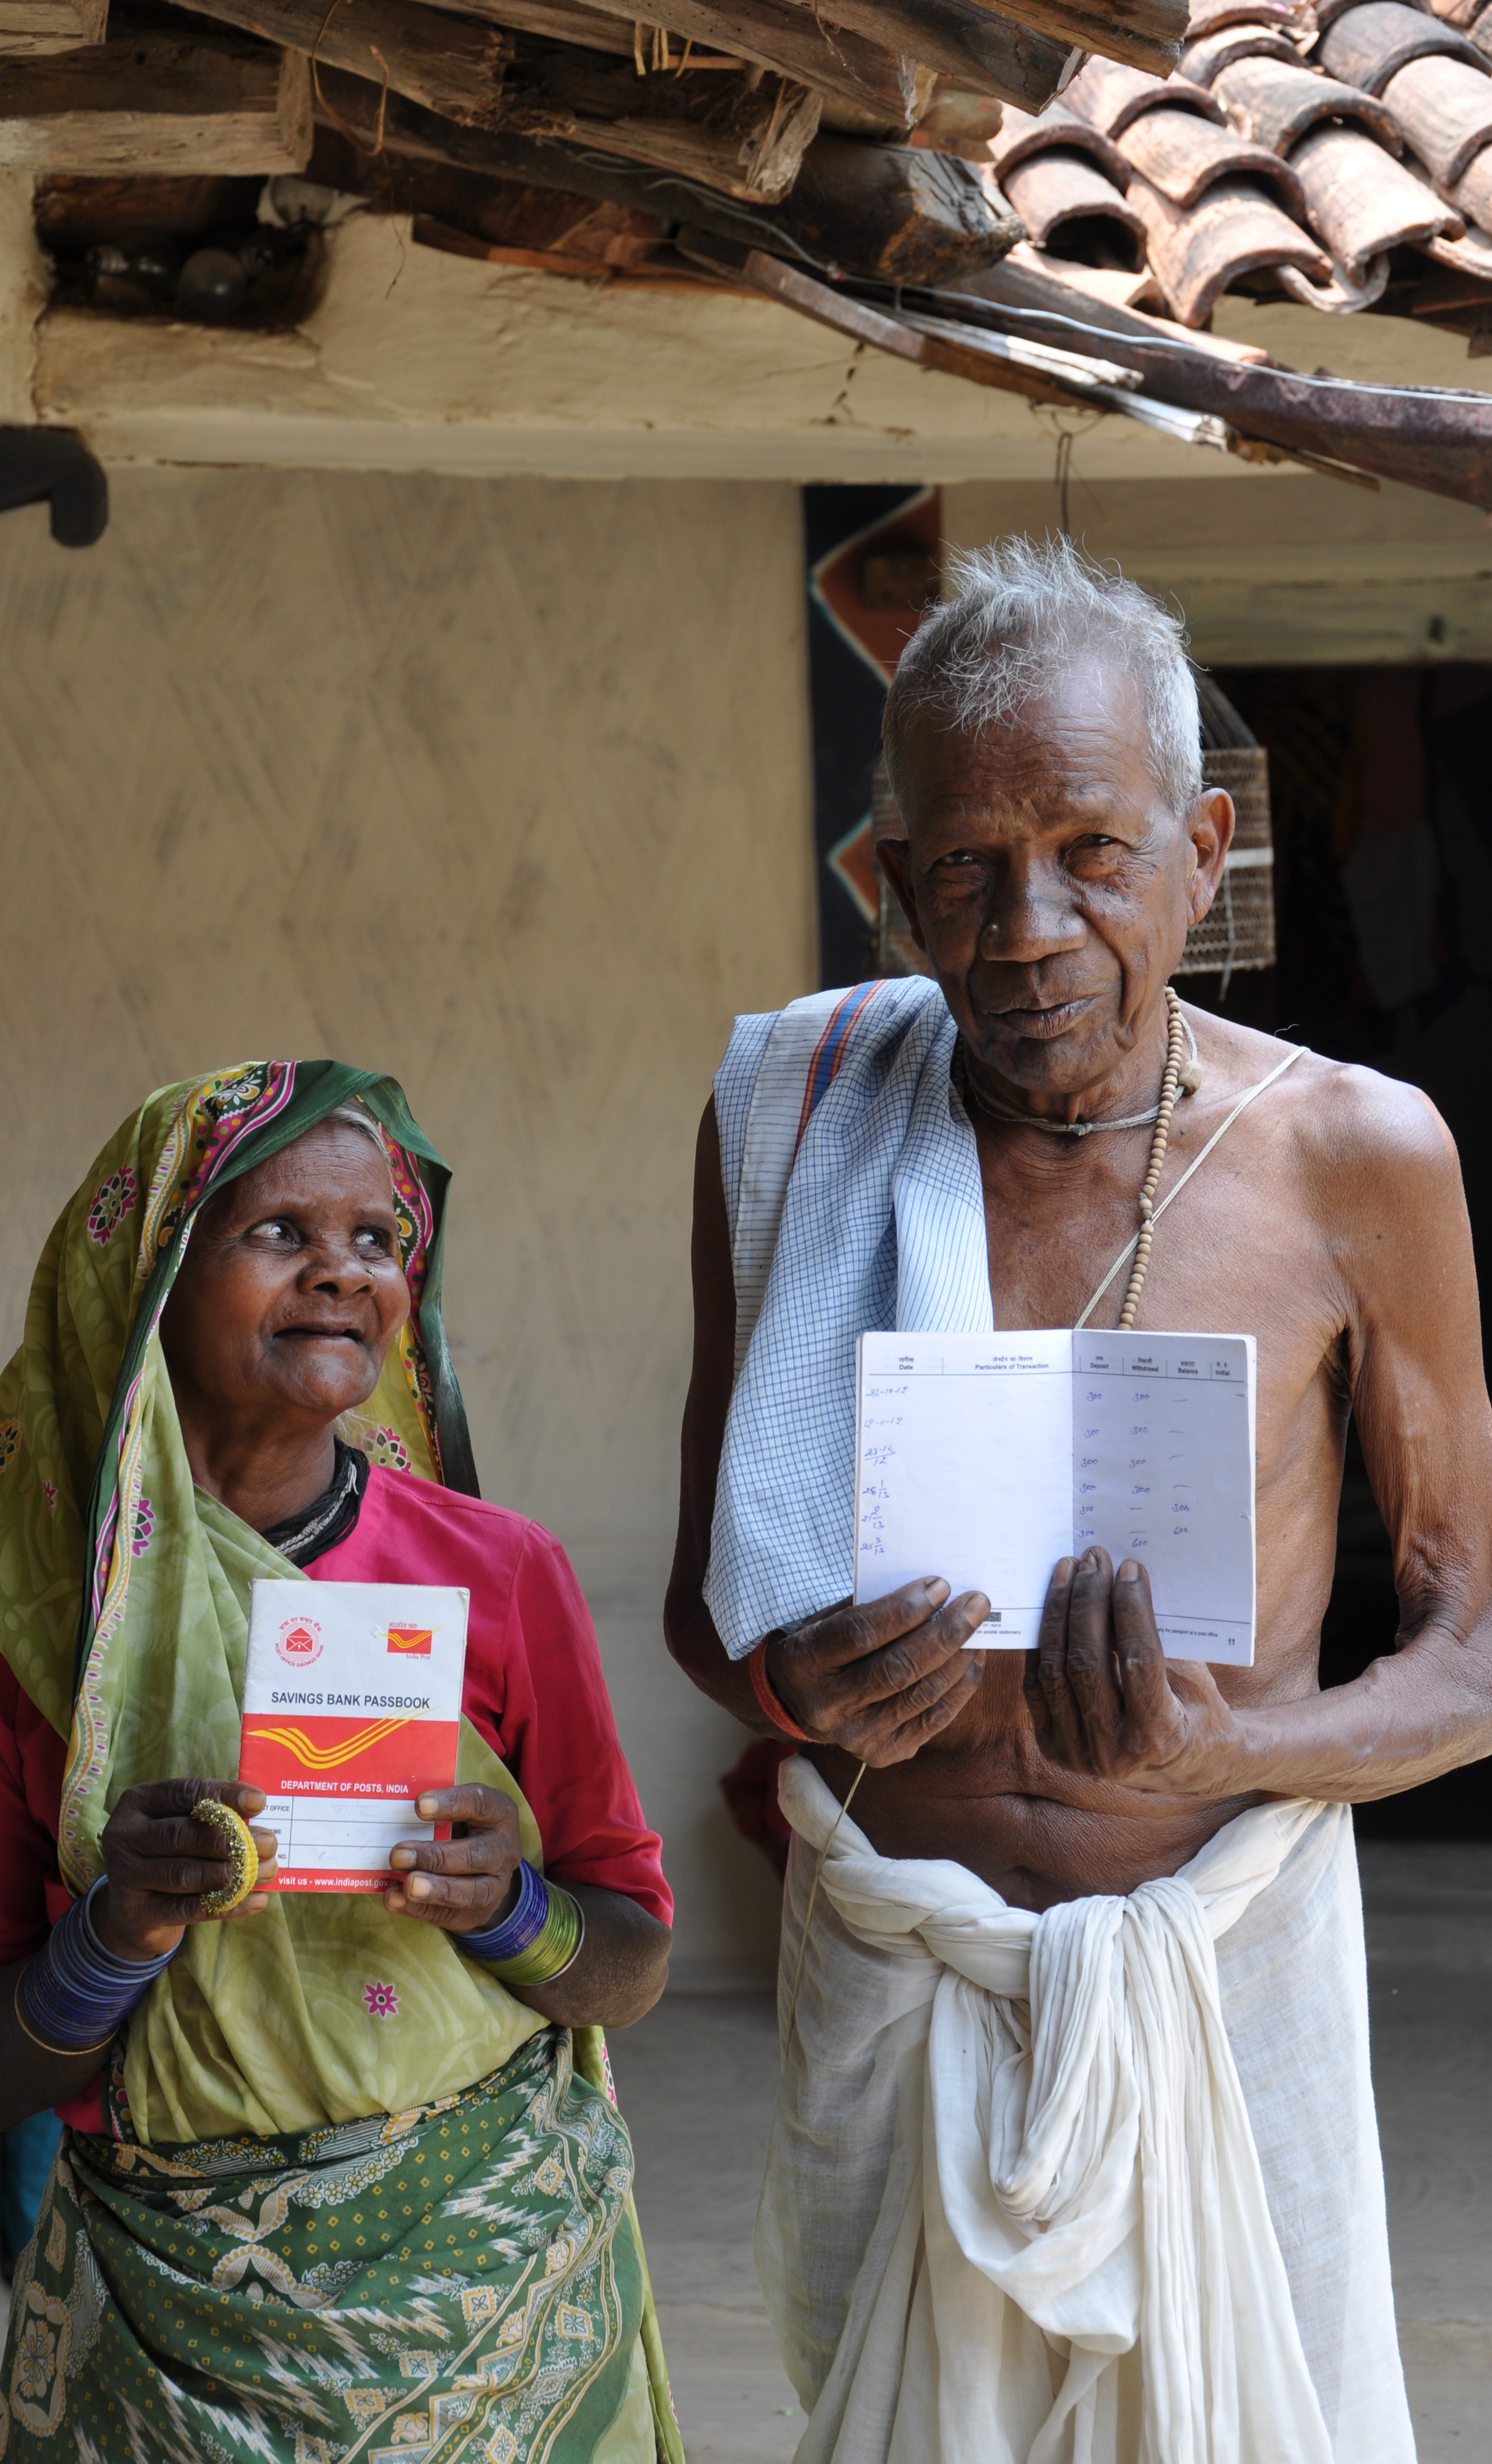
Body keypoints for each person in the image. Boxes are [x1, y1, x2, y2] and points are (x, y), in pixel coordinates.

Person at [664, 536, 1492, 2464]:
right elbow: (712, 1605)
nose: (1023, 923)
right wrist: (801, 1692)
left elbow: (1471, 1644)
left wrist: (1244, 1735)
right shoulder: (789, 1117)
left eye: (1088, 848)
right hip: (892, 1948)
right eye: (959, 861)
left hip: (1214, 1962)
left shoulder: (1352, 1155)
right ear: (890, 881)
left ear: (1203, 847)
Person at [0, 1059, 680, 2464]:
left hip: (490, 2298)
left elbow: (629, 1964)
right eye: (279, 1231)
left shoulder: (500, 1572)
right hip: (169, 2330)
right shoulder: (24, 1614)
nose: (342, 1270)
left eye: (378, 1238)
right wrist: (121, 1925)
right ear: (149, 1279)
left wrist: (511, 1907)